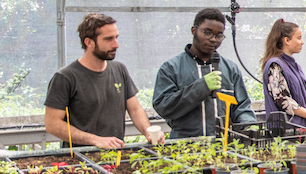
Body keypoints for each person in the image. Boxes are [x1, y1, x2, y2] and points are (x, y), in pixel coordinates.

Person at [44, 14, 158, 149]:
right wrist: (95, 140)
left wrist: (148, 132)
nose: (116, 44)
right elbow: (52, 124)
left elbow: (135, 109)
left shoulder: (119, 70)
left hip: (115, 155)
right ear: (89, 42)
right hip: (80, 161)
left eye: (116, 37)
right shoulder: (65, 77)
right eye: (109, 39)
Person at [153, 8, 257, 138]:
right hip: (185, 147)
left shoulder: (230, 69)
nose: (213, 39)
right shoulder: (171, 68)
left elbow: (241, 107)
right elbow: (163, 107)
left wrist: (249, 125)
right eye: (207, 33)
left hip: (224, 146)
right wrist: (201, 87)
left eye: (219, 35)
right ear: (194, 30)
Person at [261, 19, 306, 127]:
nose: (302, 42)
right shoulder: (275, 65)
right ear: (287, 40)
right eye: (299, 38)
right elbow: (282, 100)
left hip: (302, 129)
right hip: (286, 133)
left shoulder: (295, 66)